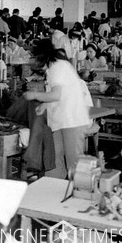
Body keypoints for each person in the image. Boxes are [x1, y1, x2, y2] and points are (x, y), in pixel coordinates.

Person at [23, 40, 92, 179]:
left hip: (71, 120)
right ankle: (54, 188)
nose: (33, 61)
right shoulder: (56, 67)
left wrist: (34, 95)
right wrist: (45, 105)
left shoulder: (57, 67)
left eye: (34, 57)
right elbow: (63, 93)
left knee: (74, 164)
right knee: (55, 159)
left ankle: (78, 190)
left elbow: (56, 95)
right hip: (62, 120)